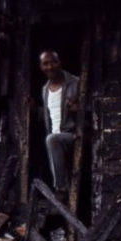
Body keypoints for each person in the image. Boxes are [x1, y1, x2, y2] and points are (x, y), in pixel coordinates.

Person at [38, 50, 79, 201]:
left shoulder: (76, 82)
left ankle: (61, 188)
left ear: (59, 63)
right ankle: (61, 186)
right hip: (56, 136)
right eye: (45, 64)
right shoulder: (44, 90)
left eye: (53, 62)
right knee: (51, 139)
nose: (50, 66)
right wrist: (34, 110)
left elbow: (93, 109)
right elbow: (51, 114)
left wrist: (79, 110)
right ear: (41, 67)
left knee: (51, 139)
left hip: (73, 135)